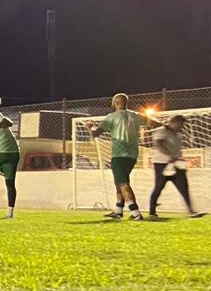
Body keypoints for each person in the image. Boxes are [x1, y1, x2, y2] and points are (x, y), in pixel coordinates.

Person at [88, 93, 143, 221]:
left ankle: (136, 213)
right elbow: (153, 122)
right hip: (133, 155)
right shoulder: (136, 115)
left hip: (119, 155)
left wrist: (90, 127)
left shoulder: (112, 117)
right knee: (119, 182)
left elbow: (96, 134)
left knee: (123, 184)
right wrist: (165, 124)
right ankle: (118, 211)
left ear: (115, 103)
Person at [148, 114, 206, 219]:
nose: (181, 127)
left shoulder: (178, 135)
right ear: (173, 123)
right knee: (159, 187)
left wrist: (180, 160)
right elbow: (158, 144)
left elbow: (177, 150)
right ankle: (152, 212)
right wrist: (169, 155)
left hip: (176, 164)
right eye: (180, 124)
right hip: (162, 164)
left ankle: (191, 211)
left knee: (184, 187)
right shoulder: (161, 131)